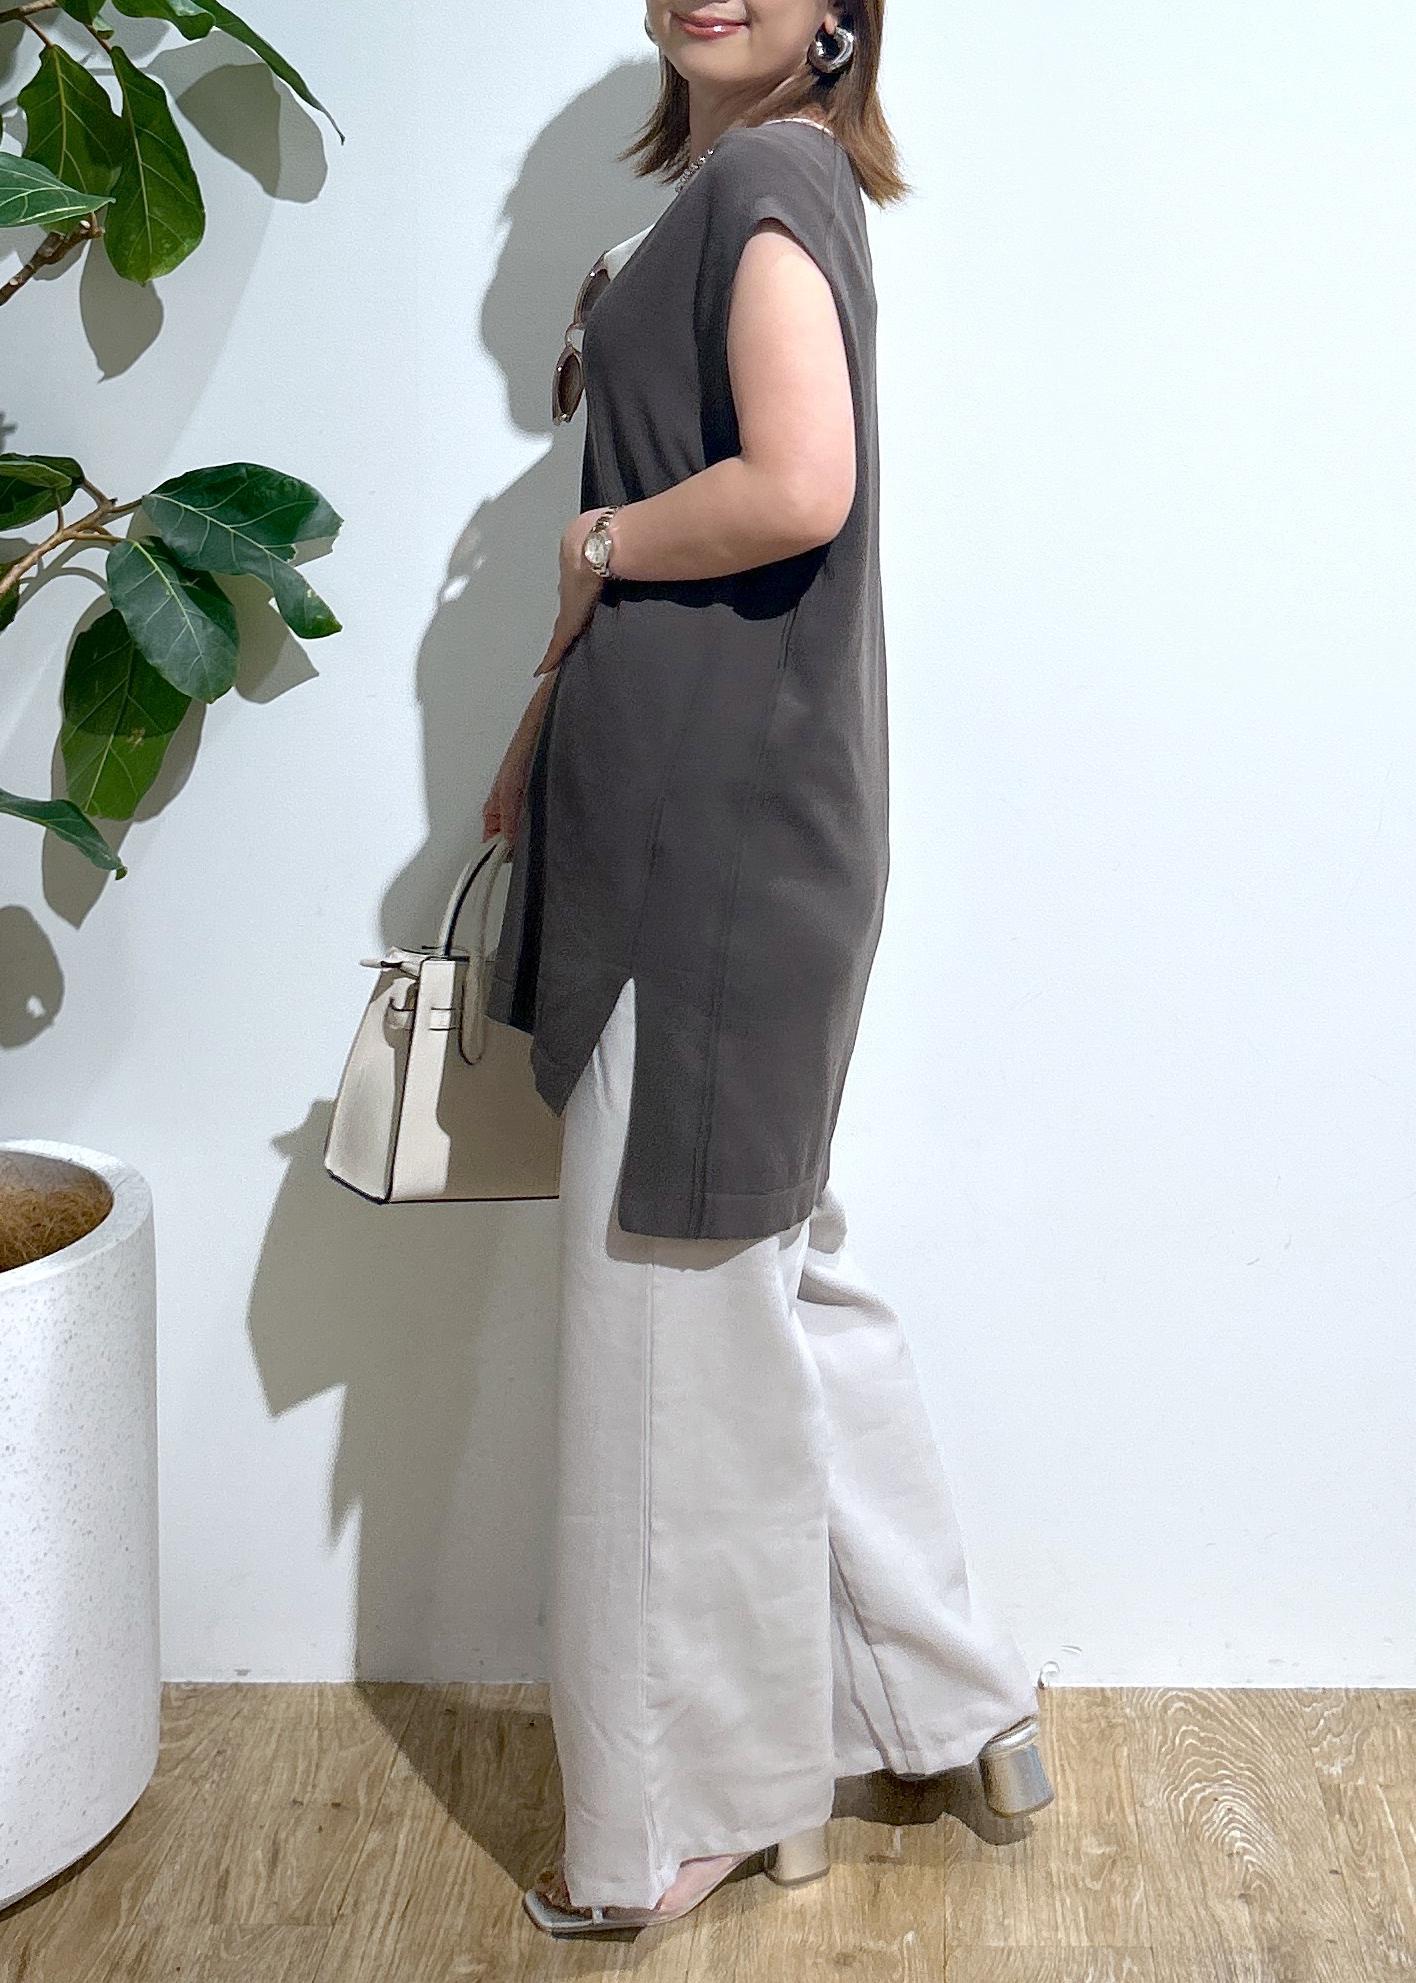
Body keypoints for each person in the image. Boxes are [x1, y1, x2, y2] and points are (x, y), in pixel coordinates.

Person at [481, 0, 1055, 1938]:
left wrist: (600, 539)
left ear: (838, 17)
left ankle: (684, 1810)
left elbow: (800, 482)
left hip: (709, 844)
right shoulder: (745, 188)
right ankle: (954, 1704)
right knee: (764, 1267)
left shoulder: (769, 183)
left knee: (666, 1317)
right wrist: (540, 722)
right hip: (722, 825)